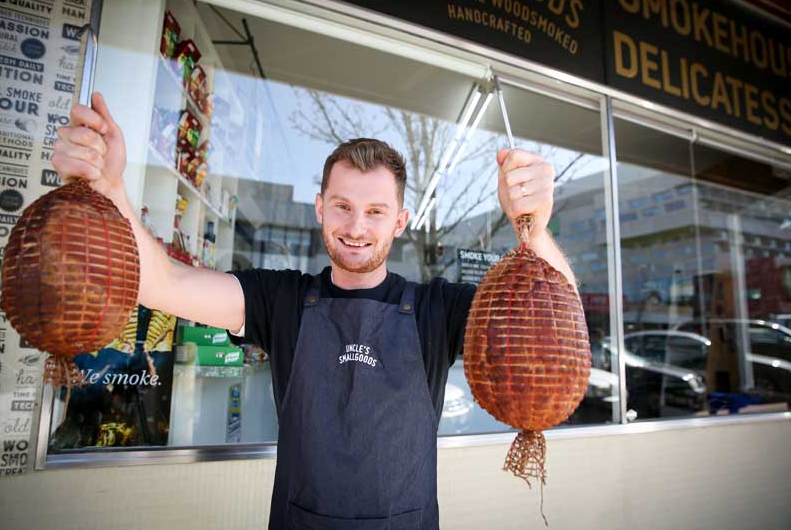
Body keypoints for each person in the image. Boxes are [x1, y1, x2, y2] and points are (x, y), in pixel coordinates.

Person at [54, 92, 577, 529]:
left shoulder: (439, 309)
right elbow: (161, 283)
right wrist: (110, 187)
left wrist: (535, 225)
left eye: (375, 212)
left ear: (401, 222)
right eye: (343, 207)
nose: (356, 227)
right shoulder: (279, 300)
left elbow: (558, 330)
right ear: (320, 207)